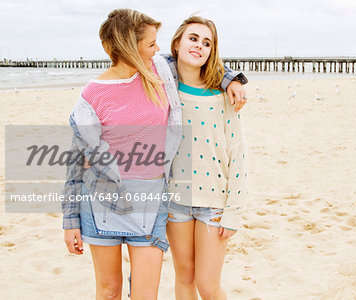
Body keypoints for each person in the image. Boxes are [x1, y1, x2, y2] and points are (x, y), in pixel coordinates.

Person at [62, 9, 247, 299]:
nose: (157, 49)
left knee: (153, 292)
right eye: (151, 44)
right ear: (129, 46)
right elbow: (76, 161)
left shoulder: (159, 74)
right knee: (110, 290)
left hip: (155, 202)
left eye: (157, 44)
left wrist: (231, 79)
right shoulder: (95, 94)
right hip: (109, 203)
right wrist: (70, 221)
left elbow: (194, 60)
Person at [166, 16, 248, 300]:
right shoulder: (164, 91)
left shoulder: (224, 95)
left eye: (207, 42)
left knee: (208, 286)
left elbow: (237, 153)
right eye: (193, 38)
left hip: (214, 205)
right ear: (177, 43)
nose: (199, 45)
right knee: (184, 278)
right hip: (174, 202)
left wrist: (234, 210)